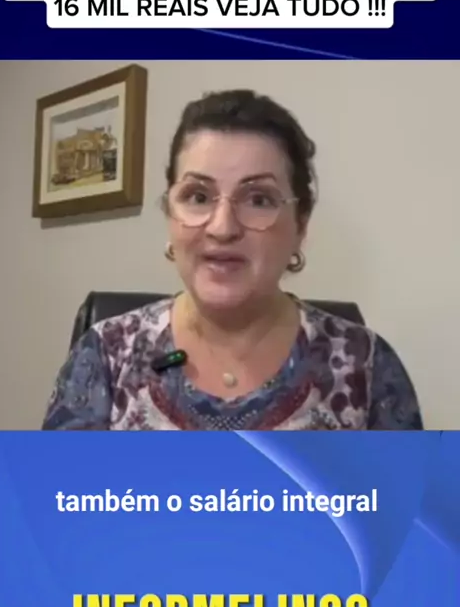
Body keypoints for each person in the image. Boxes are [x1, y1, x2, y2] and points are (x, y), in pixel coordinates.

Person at [42, 89, 423, 431]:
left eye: (259, 199)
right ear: (170, 214)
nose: (222, 228)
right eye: (198, 196)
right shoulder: (106, 357)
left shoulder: (367, 366)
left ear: (300, 225)